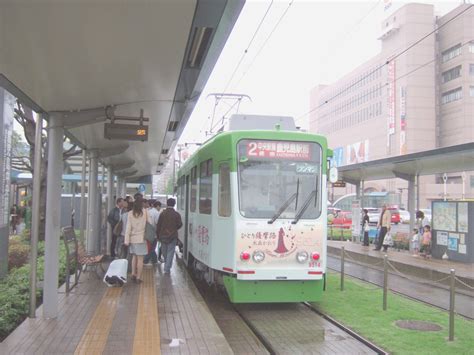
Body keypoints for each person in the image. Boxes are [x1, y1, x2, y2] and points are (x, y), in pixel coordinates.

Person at [124, 195, 149, 282]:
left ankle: (133, 274)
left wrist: (126, 240)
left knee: (134, 257)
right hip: (141, 238)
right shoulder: (145, 212)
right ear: (141, 204)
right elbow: (149, 224)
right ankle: (138, 277)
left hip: (132, 239)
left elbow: (128, 227)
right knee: (140, 259)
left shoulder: (130, 213)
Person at [156, 198, 182, 274]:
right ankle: (167, 268)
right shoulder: (176, 214)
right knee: (170, 252)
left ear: (167, 204)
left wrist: (158, 235)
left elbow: (159, 225)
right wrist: (175, 228)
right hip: (173, 236)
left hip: (163, 236)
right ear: (174, 204)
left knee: (164, 251)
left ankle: (167, 265)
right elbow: (180, 224)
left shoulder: (162, 214)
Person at [144, 200, 162, 265]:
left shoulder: (148, 211)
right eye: (160, 207)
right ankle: (146, 261)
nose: (160, 208)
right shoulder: (157, 213)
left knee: (150, 247)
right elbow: (157, 223)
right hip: (153, 233)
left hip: (147, 231)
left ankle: (154, 261)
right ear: (157, 206)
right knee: (152, 247)